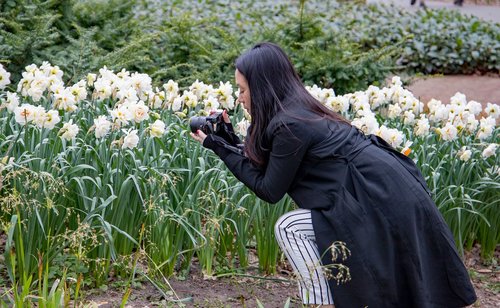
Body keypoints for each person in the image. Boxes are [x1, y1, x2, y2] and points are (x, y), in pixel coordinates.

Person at [190, 42, 477, 307]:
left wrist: (219, 148)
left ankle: (320, 304)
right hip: (381, 185)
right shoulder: (295, 110)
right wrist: (227, 141)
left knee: (289, 227)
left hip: (377, 195)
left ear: (262, 87)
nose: (239, 98)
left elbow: (269, 189)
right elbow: (270, 166)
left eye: (242, 89)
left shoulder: (290, 124)